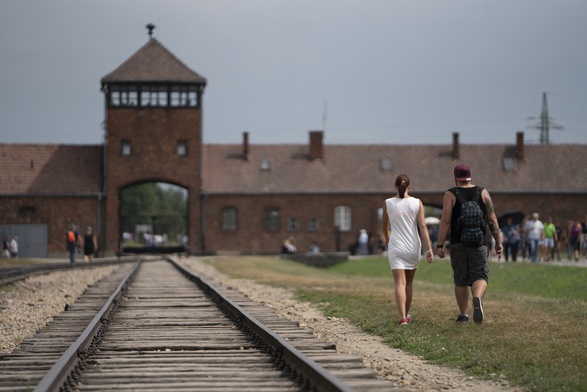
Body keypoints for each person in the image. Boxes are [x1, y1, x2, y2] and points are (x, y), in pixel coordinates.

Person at [436, 164, 503, 324]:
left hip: (458, 243)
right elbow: (492, 219)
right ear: (470, 176)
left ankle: (463, 314)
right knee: (480, 275)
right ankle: (477, 298)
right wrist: (498, 241)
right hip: (479, 242)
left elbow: (445, 221)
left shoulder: (450, 194)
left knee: (460, 279)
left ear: (455, 178)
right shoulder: (483, 192)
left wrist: (440, 245)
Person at [382, 174, 434, 327]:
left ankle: (403, 317)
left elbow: (384, 226)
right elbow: (423, 227)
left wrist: (386, 238)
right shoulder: (417, 203)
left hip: (396, 246)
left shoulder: (388, 203)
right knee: (409, 283)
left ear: (395, 187)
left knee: (399, 283)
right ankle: (406, 314)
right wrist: (429, 248)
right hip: (413, 246)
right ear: (409, 186)